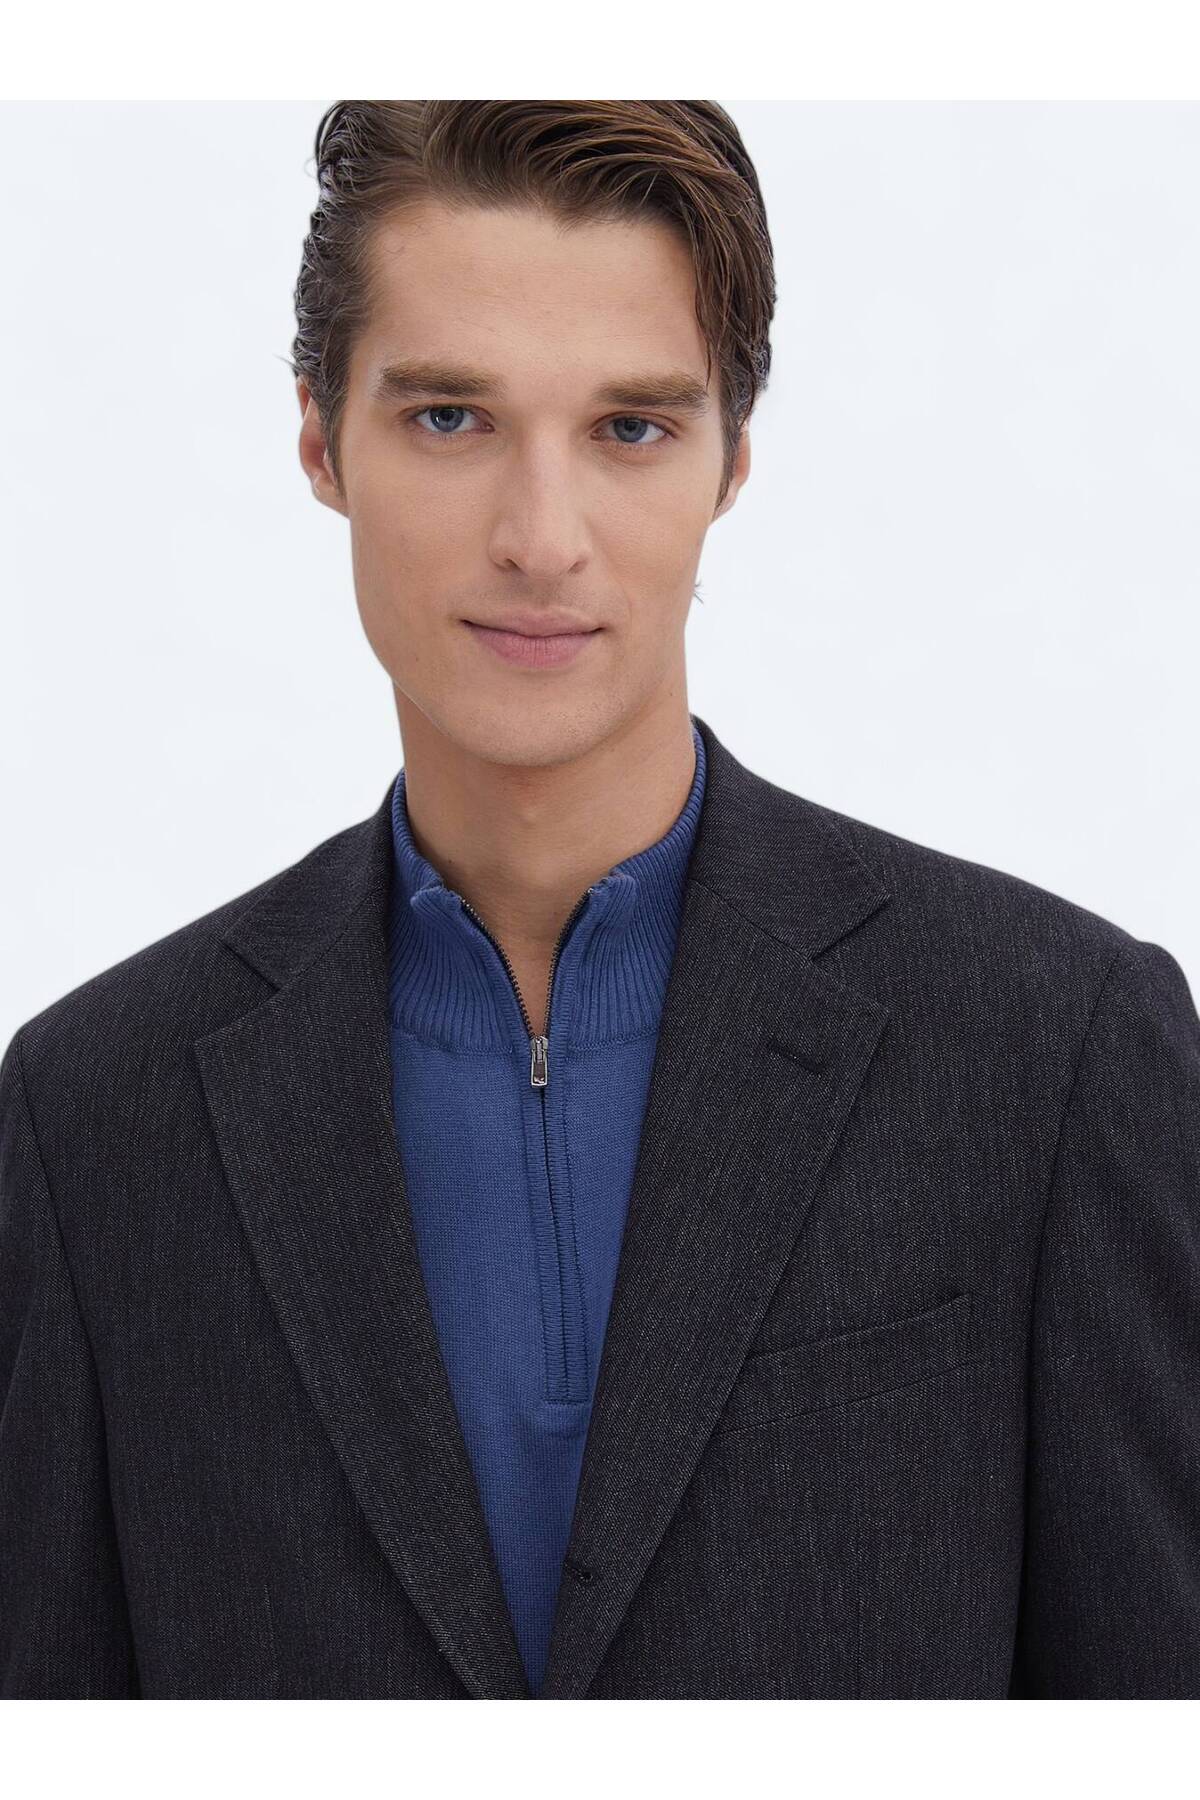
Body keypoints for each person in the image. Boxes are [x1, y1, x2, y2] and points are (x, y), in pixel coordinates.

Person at [1, 100, 1197, 1702]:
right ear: (320, 442)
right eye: (449, 417)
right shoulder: (93, 1118)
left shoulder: (1055, 1049)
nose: (541, 540)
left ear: (732, 460)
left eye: (631, 428)